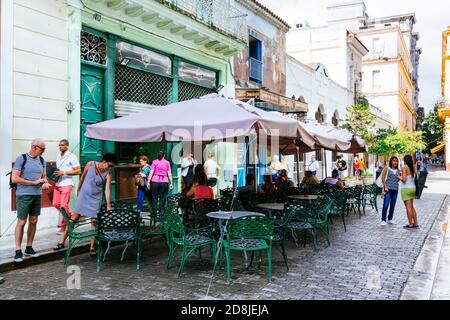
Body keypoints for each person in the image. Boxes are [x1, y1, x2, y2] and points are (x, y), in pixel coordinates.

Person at [53, 153, 117, 255]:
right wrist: (78, 189)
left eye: (112, 166)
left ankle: (92, 247)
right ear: (104, 161)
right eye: (109, 165)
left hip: (96, 199)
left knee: (94, 222)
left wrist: (109, 205)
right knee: (73, 218)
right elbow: (82, 177)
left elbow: (107, 190)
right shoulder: (90, 164)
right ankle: (61, 242)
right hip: (84, 196)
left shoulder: (108, 173)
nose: (110, 168)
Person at [11, 138, 49, 262]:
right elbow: (15, 179)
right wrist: (33, 182)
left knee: (33, 220)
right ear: (34, 147)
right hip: (23, 195)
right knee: (21, 222)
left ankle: (29, 247)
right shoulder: (21, 158)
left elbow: (44, 176)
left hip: (37, 195)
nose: (43, 151)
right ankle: (17, 250)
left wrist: (45, 182)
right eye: (42, 149)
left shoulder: (42, 160)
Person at [52, 139, 81, 235]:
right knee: (56, 204)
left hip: (67, 183)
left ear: (67, 146)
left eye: (62, 145)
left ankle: (64, 226)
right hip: (58, 183)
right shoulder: (58, 156)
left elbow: (78, 171)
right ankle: (72, 216)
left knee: (64, 206)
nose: (60, 146)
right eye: (59, 145)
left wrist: (63, 172)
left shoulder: (72, 157)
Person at [400, 155, 419, 229]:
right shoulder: (414, 167)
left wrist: (399, 177)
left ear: (404, 160)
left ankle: (410, 224)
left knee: (408, 207)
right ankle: (416, 223)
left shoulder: (404, 167)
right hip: (413, 188)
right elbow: (416, 177)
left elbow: (404, 180)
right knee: (411, 206)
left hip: (406, 188)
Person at [380, 156, 400, 226]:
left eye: (396, 161)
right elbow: (383, 177)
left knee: (392, 205)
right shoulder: (387, 168)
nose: (395, 162)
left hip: (395, 190)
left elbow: (398, 179)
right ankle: (383, 219)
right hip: (387, 189)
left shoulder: (398, 170)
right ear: (391, 161)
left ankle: (390, 219)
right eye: (394, 160)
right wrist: (385, 186)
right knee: (385, 204)